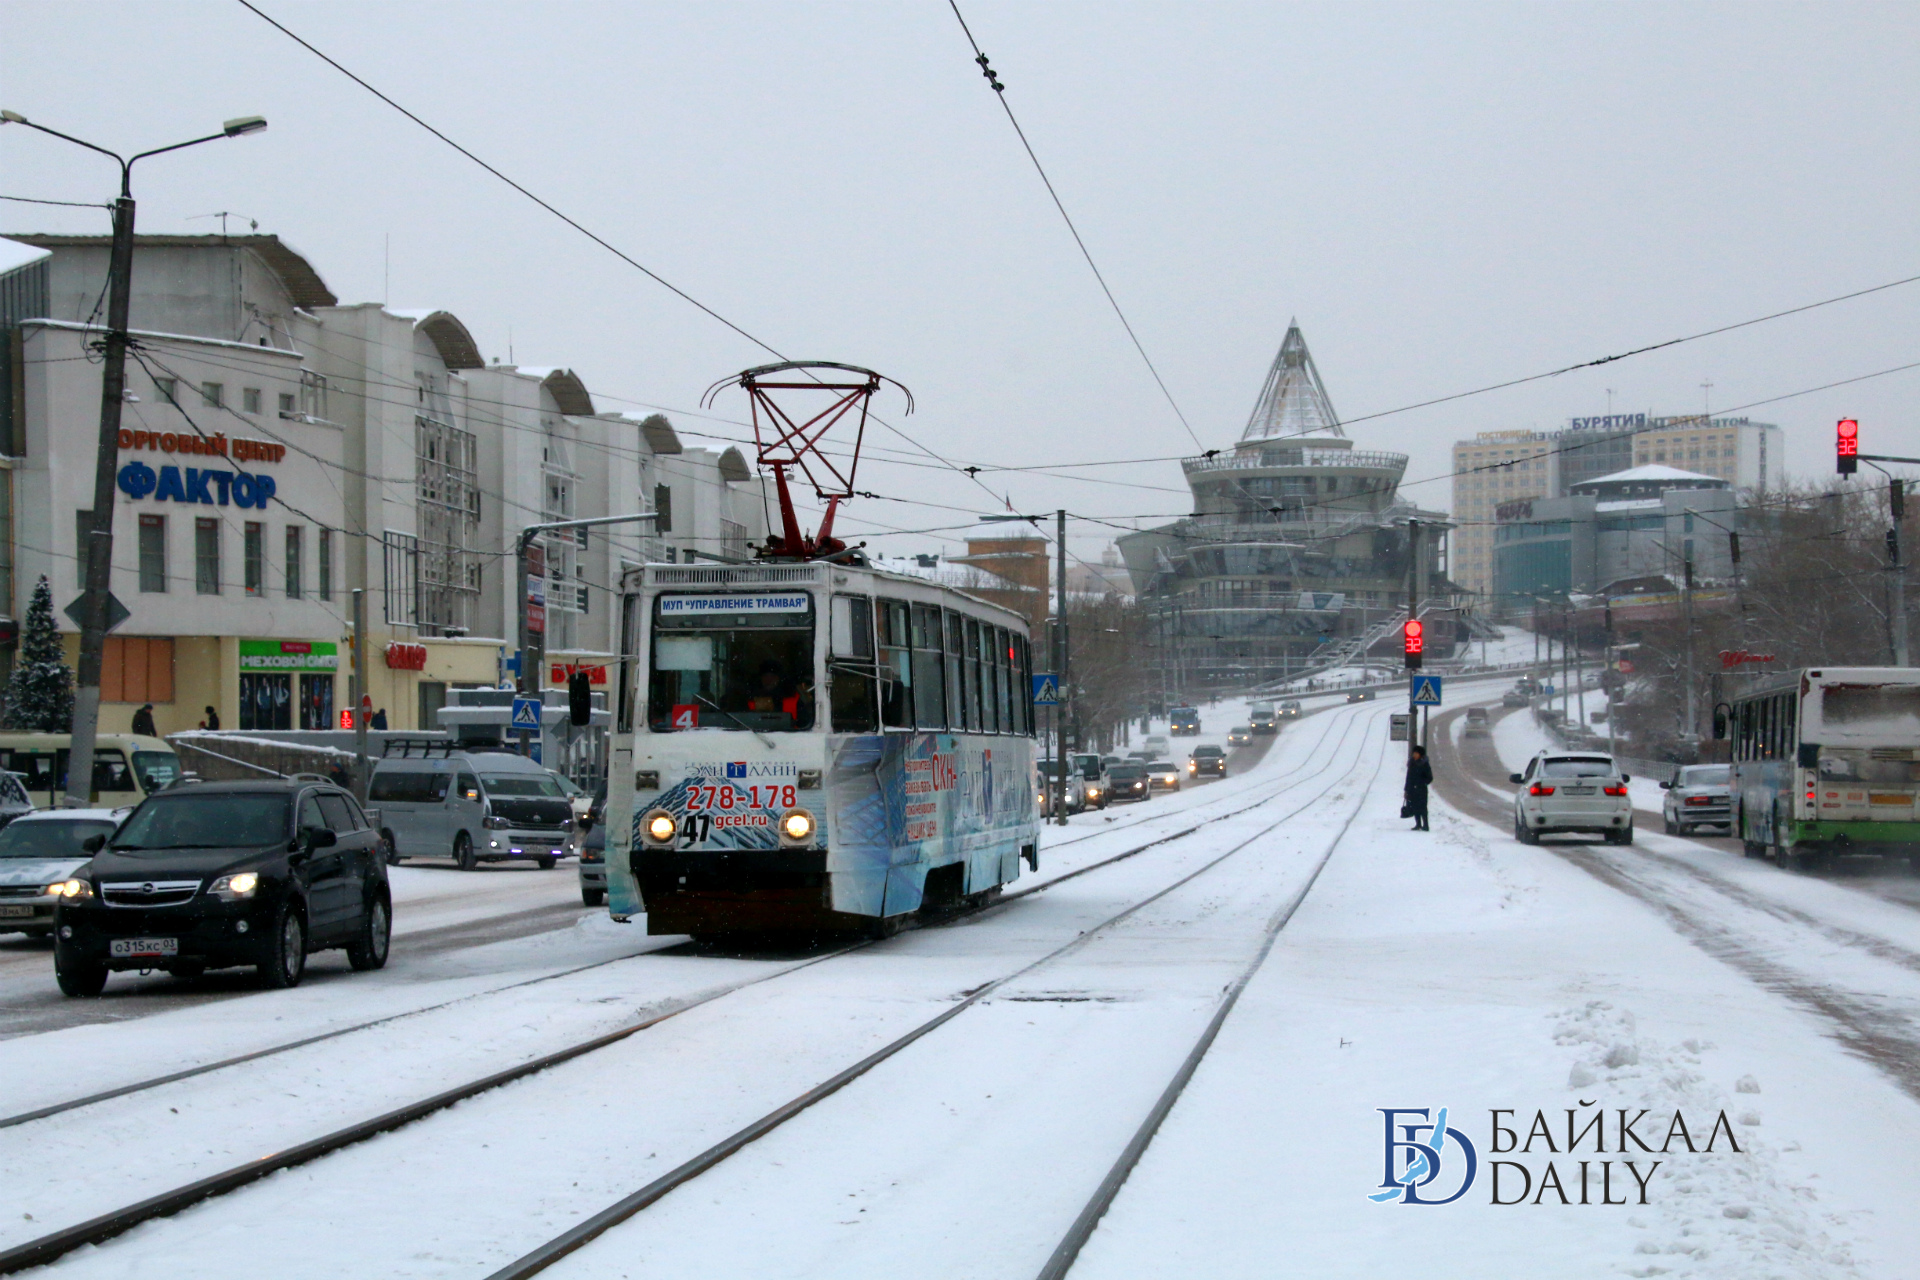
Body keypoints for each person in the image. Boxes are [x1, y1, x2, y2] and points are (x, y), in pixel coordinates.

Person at [1404, 745, 1433, 832]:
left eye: (1416, 753)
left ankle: (1426, 825)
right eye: (1414, 753)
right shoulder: (1411, 763)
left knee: (1423, 807)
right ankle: (1418, 824)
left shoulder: (1424, 764)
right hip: (1412, 789)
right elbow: (1408, 778)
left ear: (1420, 754)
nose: (1414, 755)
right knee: (1415, 806)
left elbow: (1430, 777)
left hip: (1421, 790)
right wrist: (1406, 789)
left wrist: (1421, 783)